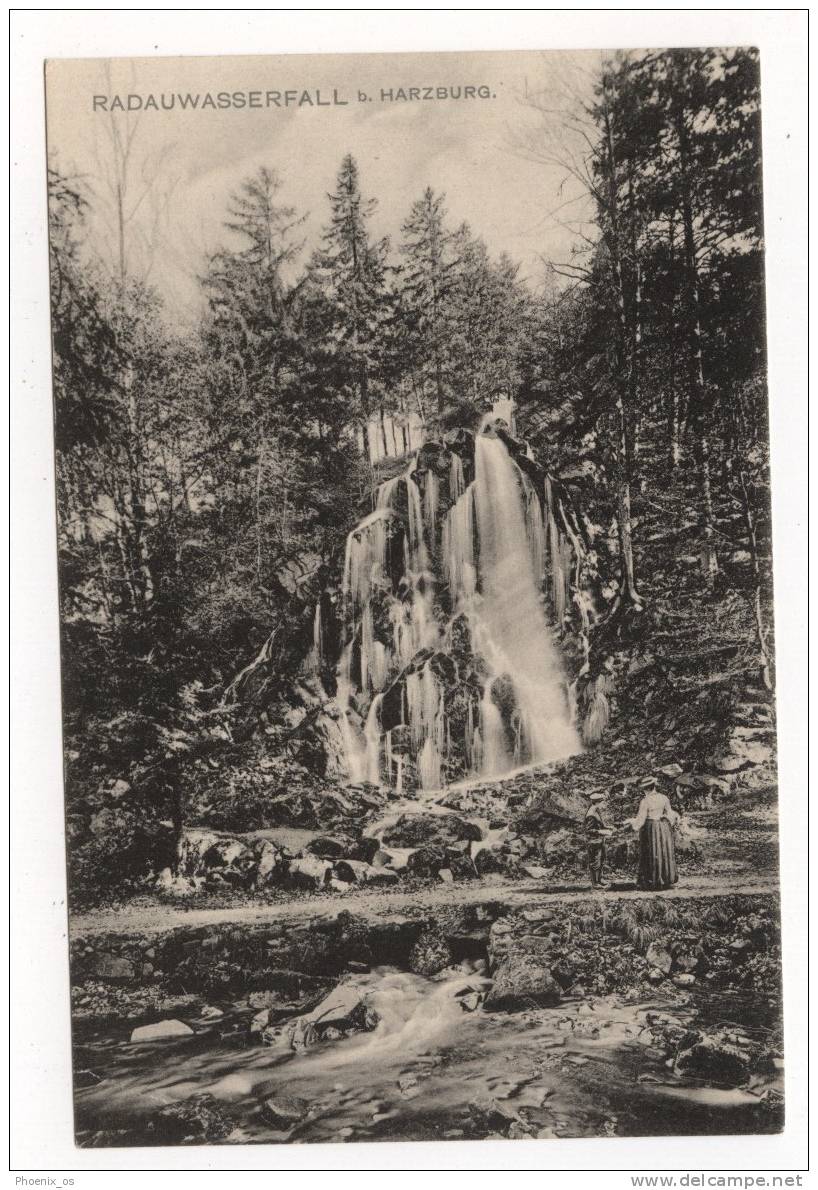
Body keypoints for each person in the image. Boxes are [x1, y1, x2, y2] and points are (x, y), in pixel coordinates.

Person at [626, 775, 679, 890]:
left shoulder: (645, 801)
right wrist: (665, 819)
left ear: (646, 789)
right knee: (662, 851)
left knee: (651, 852)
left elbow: (641, 819)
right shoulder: (664, 798)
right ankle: (665, 879)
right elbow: (670, 813)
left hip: (650, 828)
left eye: (644, 789)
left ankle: (652, 880)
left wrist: (632, 823)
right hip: (663, 827)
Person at [584, 790, 613, 889]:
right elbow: (589, 830)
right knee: (595, 862)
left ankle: (599, 879)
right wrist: (601, 832)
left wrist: (608, 827)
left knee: (601, 860)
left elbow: (601, 824)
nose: (604, 804)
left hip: (599, 840)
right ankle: (595, 883)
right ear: (597, 802)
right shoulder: (591, 814)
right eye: (602, 802)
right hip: (593, 841)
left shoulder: (596, 810)